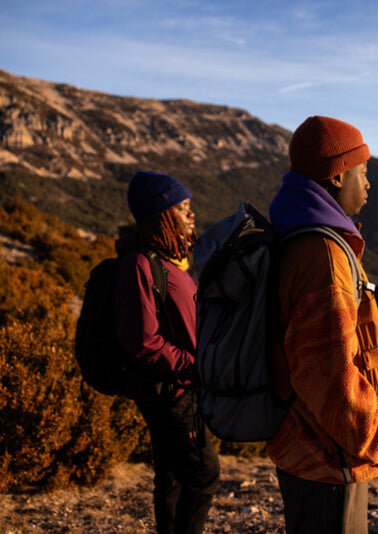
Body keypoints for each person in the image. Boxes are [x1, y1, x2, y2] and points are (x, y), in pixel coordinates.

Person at [267, 116, 378, 533]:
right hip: (330, 457)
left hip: (312, 446)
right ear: (336, 176)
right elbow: (328, 374)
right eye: (362, 172)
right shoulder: (322, 256)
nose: (368, 184)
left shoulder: (303, 239)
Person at [115, 171, 220, 534]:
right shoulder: (141, 264)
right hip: (172, 390)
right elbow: (144, 342)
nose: (192, 214)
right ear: (162, 214)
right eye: (183, 207)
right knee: (204, 475)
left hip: (181, 385)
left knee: (173, 476)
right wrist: (194, 364)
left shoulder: (169, 261)